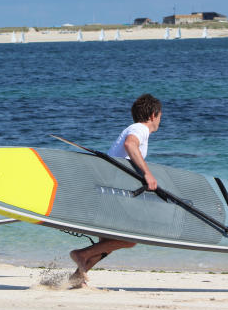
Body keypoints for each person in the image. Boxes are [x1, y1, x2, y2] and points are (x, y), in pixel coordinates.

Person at [69, 93, 162, 288]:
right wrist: (147, 174)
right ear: (153, 115)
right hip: (109, 192)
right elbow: (130, 144)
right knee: (129, 240)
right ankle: (81, 255)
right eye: (160, 116)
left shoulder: (134, 128)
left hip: (105, 190)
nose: (160, 120)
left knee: (107, 243)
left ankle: (78, 276)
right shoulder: (140, 129)